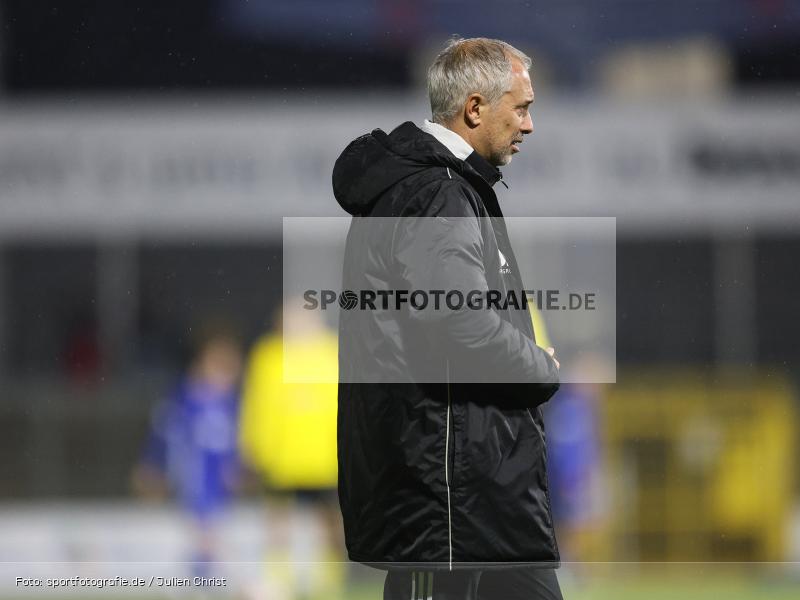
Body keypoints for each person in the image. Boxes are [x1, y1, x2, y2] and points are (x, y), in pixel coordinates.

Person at [332, 37, 564, 599]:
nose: (529, 124)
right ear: (476, 108)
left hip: (480, 490)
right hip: (444, 495)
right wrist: (541, 367)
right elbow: (460, 324)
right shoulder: (435, 193)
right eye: (522, 107)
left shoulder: (444, 187)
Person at [239, 302, 343, 600]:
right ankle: (277, 581)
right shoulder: (268, 356)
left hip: (323, 457)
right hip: (281, 457)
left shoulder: (331, 351)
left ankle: (329, 580)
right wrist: (252, 445)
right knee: (277, 521)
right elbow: (256, 404)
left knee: (330, 520)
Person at [132, 322, 244, 578]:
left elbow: (238, 442)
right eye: (221, 366)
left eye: (231, 368)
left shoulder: (233, 403)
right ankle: (199, 580)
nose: (227, 375)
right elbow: (162, 435)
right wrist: (151, 467)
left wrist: (238, 465)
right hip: (193, 478)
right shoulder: (184, 399)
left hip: (220, 485)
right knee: (200, 533)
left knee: (213, 537)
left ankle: (205, 579)